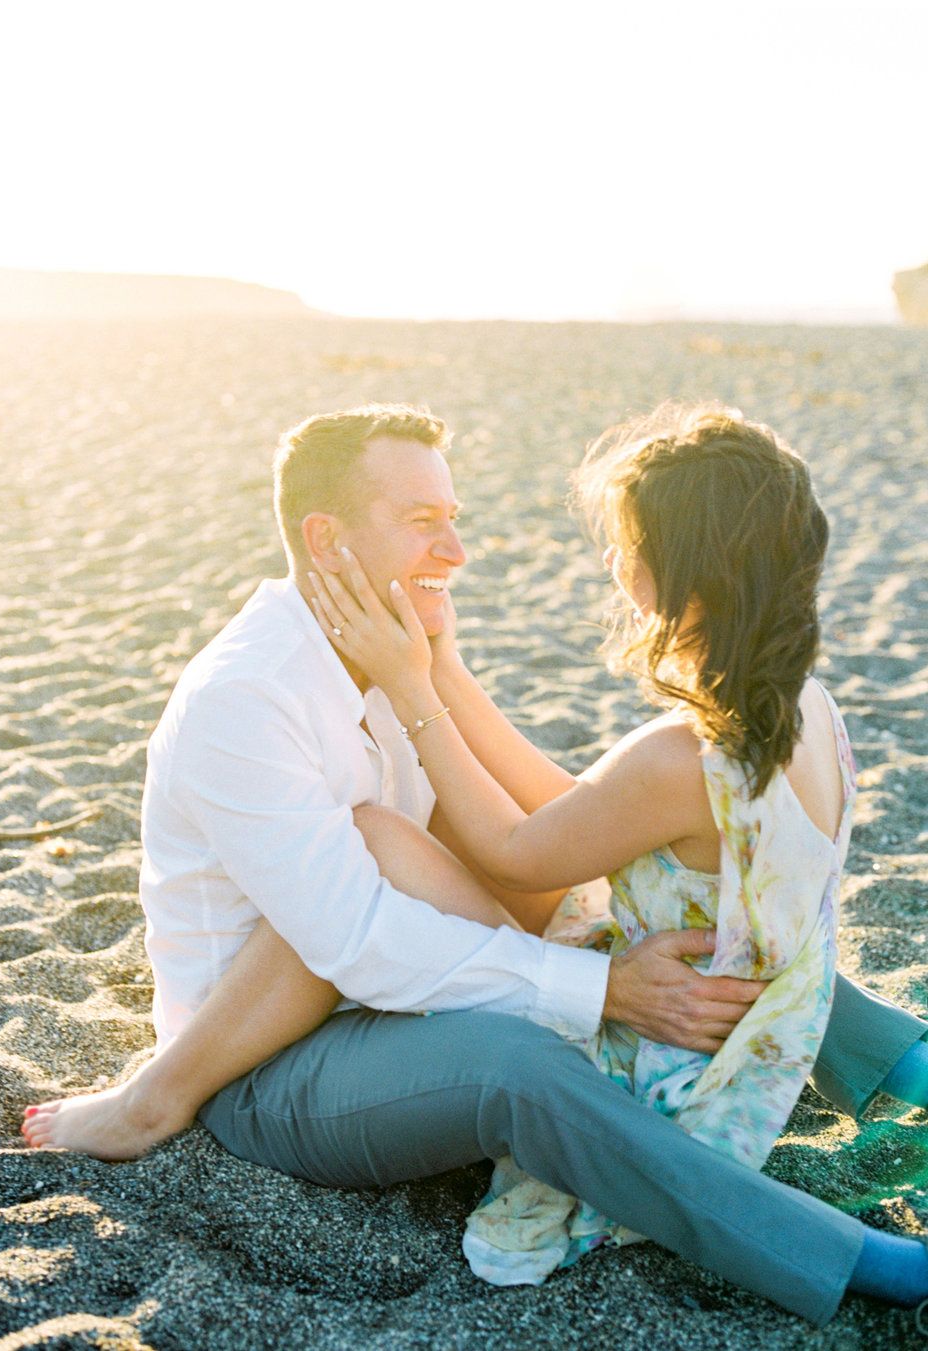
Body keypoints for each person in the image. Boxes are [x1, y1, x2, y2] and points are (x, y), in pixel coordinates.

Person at [22, 402, 928, 1325]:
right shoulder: (248, 699)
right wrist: (602, 987)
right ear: (325, 539)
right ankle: (856, 1257)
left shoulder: (392, 647)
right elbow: (356, 942)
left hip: (404, 983)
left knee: (659, 893)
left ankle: (905, 1062)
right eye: (424, 524)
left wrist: (436, 676)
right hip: (268, 1060)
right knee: (518, 1064)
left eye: (455, 520)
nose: (454, 553)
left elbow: (566, 825)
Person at [303, 401, 897, 1287]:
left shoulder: (683, 756)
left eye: (627, 544)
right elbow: (586, 812)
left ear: (680, 572)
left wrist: (408, 692)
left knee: (385, 833)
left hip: (666, 1068)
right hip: (733, 1036)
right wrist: (446, 671)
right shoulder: (800, 705)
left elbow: (516, 850)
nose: (614, 560)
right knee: (433, 832)